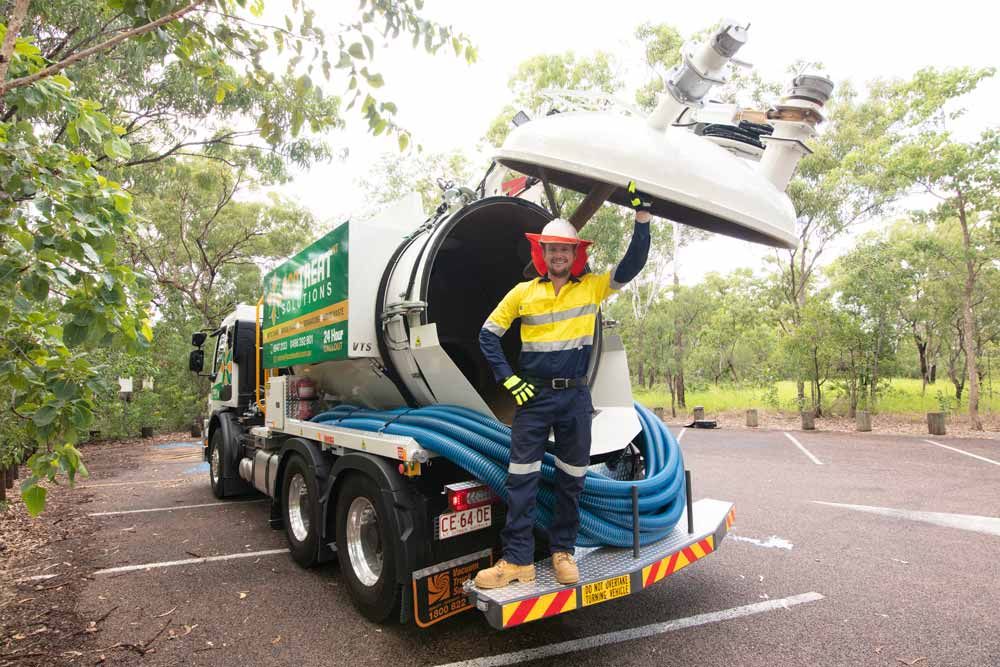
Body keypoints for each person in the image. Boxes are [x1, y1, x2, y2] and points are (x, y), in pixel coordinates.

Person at [474, 181, 653, 589]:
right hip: (533, 396)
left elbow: (631, 265)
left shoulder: (591, 288)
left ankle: (562, 553)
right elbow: (487, 334)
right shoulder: (522, 293)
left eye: (565, 249)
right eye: (551, 249)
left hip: (575, 396)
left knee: (572, 479)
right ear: (542, 254)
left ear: (576, 255)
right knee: (521, 479)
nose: (558, 254)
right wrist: (510, 379)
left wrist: (641, 220)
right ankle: (516, 561)